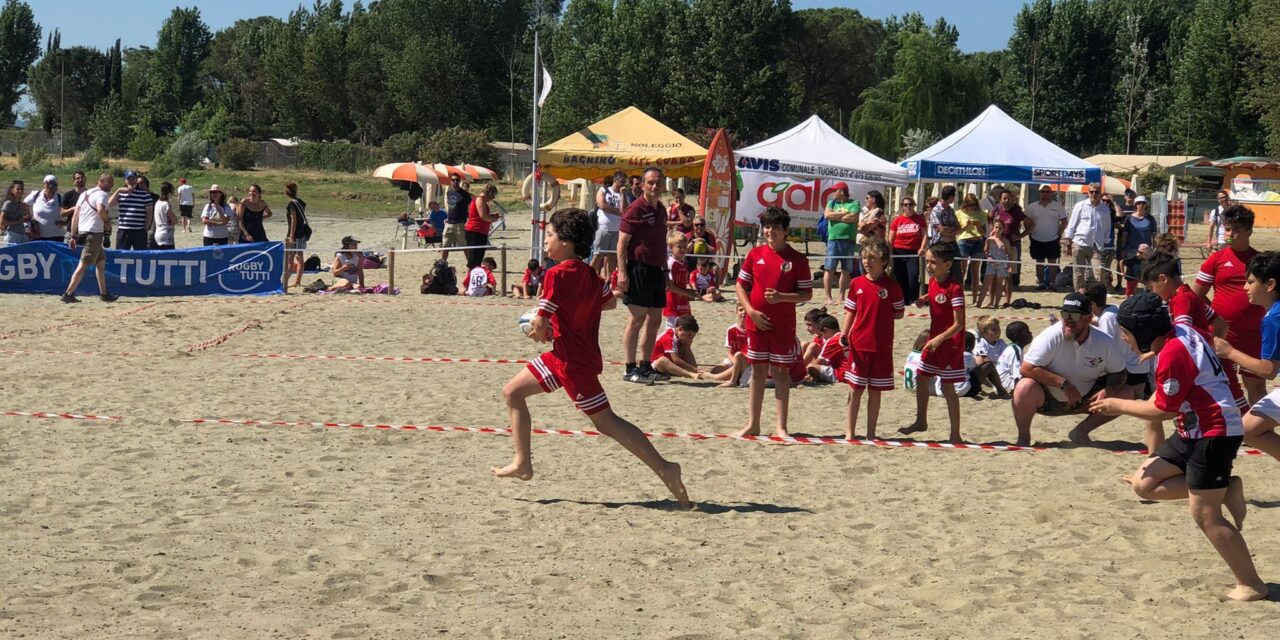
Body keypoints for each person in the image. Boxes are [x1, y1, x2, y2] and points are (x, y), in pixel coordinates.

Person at [492, 207, 691, 508]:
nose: (545, 241)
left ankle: (665, 466)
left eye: (550, 235)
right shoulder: (589, 273)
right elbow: (608, 304)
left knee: (607, 422)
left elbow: (540, 326)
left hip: (573, 363)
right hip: (564, 355)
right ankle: (522, 463)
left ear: (567, 241)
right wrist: (568, 317)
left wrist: (538, 329)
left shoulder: (555, 274)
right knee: (512, 393)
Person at [1090, 322, 1266, 602]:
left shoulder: (1172, 353)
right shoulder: (1179, 330)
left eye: (1126, 331)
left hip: (1213, 431)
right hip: (1192, 429)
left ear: (1145, 332)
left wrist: (1117, 405)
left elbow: (1162, 410)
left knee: (1205, 514)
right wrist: (1152, 350)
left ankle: (1252, 584)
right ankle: (1226, 487)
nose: (1123, 337)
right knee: (1143, 484)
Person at [1010, 292, 1133, 447]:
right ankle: (1023, 437)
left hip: (1086, 399)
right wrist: (1063, 383)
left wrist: (1110, 389)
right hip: (1048, 398)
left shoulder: (1104, 341)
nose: (1068, 320)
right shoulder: (1051, 336)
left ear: (1088, 318)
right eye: (1065, 314)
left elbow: (1120, 372)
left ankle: (1080, 432)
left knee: (1127, 393)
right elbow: (1026, 368)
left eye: (1074, 315)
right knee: (1023, 387)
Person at [735, 206, 813, 438]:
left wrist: (781, 297)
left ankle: (781, 427)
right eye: (767, 227)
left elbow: (806, 294)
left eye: (775, 227)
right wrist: (750, 311)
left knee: (781, 373)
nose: (770, 231)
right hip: (756, 323)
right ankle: (753, 423)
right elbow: (741, 285)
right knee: (757, 372)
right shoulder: (755, 254)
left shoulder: (797, 259)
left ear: (785, 231)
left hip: (782, 324)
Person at [1192, 205, 1266, 406]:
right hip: (1221, 334)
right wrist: (1215, 316)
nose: (1230, 234)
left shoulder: (1260, 262)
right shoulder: (1216, 259)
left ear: (1249, 232)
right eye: (1227, 229)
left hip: (1254, 334)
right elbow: (1196, 296)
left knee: (1256, 385)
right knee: (1221, 383)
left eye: (1235, 230)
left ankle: (1259, 431)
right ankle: (1228, 430)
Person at [1213, 251, 1280, 464]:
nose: (1245, 287)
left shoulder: (1273, 319)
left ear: (1270, 285)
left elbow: (1268, 371)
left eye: (1250, 282)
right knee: (1248, 429)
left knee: (1247, 429)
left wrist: (1230, 352)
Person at [899, 241, 965, 443]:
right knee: (921, 378)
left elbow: (959, 324)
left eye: (934, 262)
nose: (929, 266)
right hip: (934, 339)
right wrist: (925, 298)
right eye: (927, 261)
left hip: (950, 343)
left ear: (948, 264)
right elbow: (936, 295)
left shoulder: (955, 289)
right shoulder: (934, 282)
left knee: (947, 388)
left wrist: (939, 338)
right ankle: (921, 421)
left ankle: (955, 434)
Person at [841, 236, 904, 439]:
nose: (867, 262)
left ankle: (871, 433)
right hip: (859, 343)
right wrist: (844, 333)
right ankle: (849, 432)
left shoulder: (892, 286)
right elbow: (850, 311)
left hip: (882, 345)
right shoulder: (856, 283)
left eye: (872, 258)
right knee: (855, 389)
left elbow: (899, 312)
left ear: (883, 261)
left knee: (875, 391)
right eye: (864, 258)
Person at [617, 166, 671, 384]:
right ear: (642, 184)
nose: (654, 186)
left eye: (658, 182)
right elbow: (622, 243)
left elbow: (661, 243)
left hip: (657, 270)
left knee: (655, 319)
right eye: (650, 182)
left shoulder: (662, 210)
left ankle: (645, 365)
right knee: (636, 319)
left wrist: (666, 271)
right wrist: (622, 272)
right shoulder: (635, 209)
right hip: (639, 269)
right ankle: (630, 368)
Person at [61, 173, 116, 303]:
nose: (111, 187)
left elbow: (75, 216)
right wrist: (107, 222)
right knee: (84, 263)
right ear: (102, 182)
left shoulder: (85, 194)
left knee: (101, 262)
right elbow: (101, 210)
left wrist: (73, 235)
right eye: (110, 184)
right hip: (94, 233)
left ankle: (104, 293)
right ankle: (68, 293)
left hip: (83, 231)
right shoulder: (102, 195)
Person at [1063, 182, 1111, 290]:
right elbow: (1072, 224)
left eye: (1096, 192)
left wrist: (1105, 240)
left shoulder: (1105, 208)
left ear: (1100, 193)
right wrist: (1068, 242)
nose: (1094, 194)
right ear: (1088, 193)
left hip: (1097, 246)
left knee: (1099, 273)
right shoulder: (1080, 206)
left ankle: (1099, 298)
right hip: (1080, 243)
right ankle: (1079, 297)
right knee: (1079, 274)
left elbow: (1108, 226)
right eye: (1091, 192)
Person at [822, 182, 861, 304]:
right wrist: (844, 214)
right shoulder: (831, 203)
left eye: (835, 190)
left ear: (842, 191)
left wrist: (836, 216)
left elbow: (853, 218)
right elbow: (827, 215)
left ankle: (841, 296)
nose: (833, 193)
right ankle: (828, 297)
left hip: (849, 240)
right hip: (833, 239)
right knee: (829, 268)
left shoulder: (854, 203)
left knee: (846, 269)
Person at [1024, 185, 1068, 291]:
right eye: (1043, 191)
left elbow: (1064, 221)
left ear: (1051, 193)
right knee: (1039, 262)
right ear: (1040, 193)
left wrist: (1059, 234)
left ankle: (1052, 283)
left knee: (1052, 262)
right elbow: (1025, 220)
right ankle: (1041, 283)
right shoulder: (1032, 206)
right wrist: (1029, 232)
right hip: (1036, 238)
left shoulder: (1057, 206)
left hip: (1053, 238)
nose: (1045, 193)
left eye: (1047, 192)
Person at [991, 188, 1030, 301]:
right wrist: (992, 232)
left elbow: (1031, 224)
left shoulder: (1017, 210)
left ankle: (1007, 301)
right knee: (995, 275)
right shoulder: (996, 209)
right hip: (997, 245)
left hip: (1012, 245)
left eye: (1009, 198)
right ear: (1000, 199)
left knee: (1009, 276)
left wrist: (1021, 236)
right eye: (1004, 198)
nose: (1007, 200)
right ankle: (992, 300)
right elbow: (989, 218)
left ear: (1012, 199)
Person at [1116, 195, 1156, 296]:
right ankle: (1129, 298)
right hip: (1132, 251)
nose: (1141, 205)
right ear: (1135, 205)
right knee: (1132, 277)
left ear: (1146, 205)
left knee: (1147, 277)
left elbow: (1154, 235)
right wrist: (1123, 248)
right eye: (1139, 203)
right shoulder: (1129, 219)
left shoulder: (1151, 219)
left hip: (1147, 252)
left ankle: (1148, 296)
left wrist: (1155, 250)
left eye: (1143, 203)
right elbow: (1125, 235)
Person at [888, 195, 925, 299]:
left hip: (913, 251)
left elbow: (925, 235)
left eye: (910, 204)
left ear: (914, 206)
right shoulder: (897, 220)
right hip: (898, 251)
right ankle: (901, 299)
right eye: (905, 205)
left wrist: (922, 248)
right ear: (902, 206)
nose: (908, 207)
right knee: (900, 276)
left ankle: (912, 299)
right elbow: (890, 239)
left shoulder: (919, 219)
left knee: (913, 276)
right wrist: (890, 255)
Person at [591, 172, 626, 278]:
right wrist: (618, 213)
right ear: (616, 180)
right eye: (622, 181)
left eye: (625, 182)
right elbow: (601, 204)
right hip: (603, 229)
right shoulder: (603, 190)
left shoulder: (623, 195)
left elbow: (624, 210)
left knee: (613, 257)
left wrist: (623, 194)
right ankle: (589, 276)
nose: (624, 183)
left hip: (617, 230)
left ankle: (609, 280)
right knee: (598, 255)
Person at [955, 193, 988, 303]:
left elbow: (984, 233)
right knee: (962, 271)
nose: (972, 207)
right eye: (969, 205)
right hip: (964, 241)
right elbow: (957, 231)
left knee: (975, 272)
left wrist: (978, 225)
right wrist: (966, 226)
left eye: (974, 204)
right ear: (965, 204)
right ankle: (960, 298)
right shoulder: (959, 213)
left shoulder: (982, 214)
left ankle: (974, 299)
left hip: (978, 241)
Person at [652, 314, 706, 380]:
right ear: (680, 329)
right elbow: (676, 360)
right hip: (656, 366)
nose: (690, 339)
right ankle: (691, 374)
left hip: (670, 364)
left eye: (692, 337)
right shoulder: (669, 337)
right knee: (663, 360)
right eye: (689, 335)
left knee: (685, 346)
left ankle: (693, 372)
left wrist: (694, 368)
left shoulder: (679, 336)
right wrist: (694, 369)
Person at [110, 170, 153, 250]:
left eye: (133, 179)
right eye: (129, 179)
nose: (131, 181)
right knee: (122, 255)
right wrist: (118, 190)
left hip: (139, 231)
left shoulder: (145, 195)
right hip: (124, 230)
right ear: (125, 180)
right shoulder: (121, 194)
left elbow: (149, 213)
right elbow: (109, 204)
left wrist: (146, 229)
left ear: (136, 180)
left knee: (140, 255)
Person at [664, 231, 697, 331]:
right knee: (673, 331)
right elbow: (670, 286)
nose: (683, 249)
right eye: (679, 246)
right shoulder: (671, 264)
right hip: (673, 303)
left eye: (684, 246)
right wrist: (687, 293)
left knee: (686, 329)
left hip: (682, 302)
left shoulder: (683, 263)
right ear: (671, 247)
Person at [973, 316, 1010, 398]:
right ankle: (996, 387)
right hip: (986, 372)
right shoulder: (980, 343)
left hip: (999, 369)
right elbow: (984, 359)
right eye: (993, 329)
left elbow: (1009, 354)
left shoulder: (1001, 343)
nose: (998, 332)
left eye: (998, 328)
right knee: (989, 367)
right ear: (983, 331)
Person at [463, 183, 499, 269]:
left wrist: (493, 216)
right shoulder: (480, 199)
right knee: (473, 260)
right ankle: (468, 280)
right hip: (475, 231)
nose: (493, 198)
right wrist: (493, 218)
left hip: (481, 232)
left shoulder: (482, 201)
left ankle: (473, 278)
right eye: (493, 196)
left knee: (477, 259)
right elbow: (483, 216)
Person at [977, 219, 1010, 309]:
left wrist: (1009, 265)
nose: (998, 229)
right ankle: (979, 304)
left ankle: (996, 304)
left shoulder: (1005, 241)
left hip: (1002, 264)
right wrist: (988, 257)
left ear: (1003, 229)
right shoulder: (989, 239)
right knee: (986, 284)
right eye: (996, 227)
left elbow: (1008, 254)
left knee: (999, 285)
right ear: (993, 228)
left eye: (1000, 228)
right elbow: (985, 251)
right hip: (991, 264)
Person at [996, 321, 1032, 398]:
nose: (1030, 333)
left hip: (1003, 382)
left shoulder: (1014, 348)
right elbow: (1017, 375)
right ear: (1017, 335)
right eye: (1027, 331)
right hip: (1006, 384)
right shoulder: (1015, 350)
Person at [284, 182, 310, 288]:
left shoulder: (291, 204)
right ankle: (297, 281)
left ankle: (284, 282)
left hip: (295, 234)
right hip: (302, 233)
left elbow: (294, 219)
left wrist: (291, 235)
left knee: (290, 259)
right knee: (300, 257)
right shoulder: (300, 202)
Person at [24, 175, 64, 242]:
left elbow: (69, 212)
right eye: (47, 183)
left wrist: (64, 222)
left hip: (56, 236)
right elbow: (24, 203)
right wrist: (29, 216)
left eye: (52, 184)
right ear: (44, 184)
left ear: (56, 185)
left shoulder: (60, 198)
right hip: (37, 235)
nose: (50, 186)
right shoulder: (36, 195)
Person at [442, 175, 471, 262]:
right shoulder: (449, 192)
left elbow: (470, 208)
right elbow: (450, 207)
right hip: (449, 223)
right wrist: (446, 217)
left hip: (460, 223)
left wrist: (468, 220)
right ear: (450, 181)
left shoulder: (465, 194)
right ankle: (442, 264)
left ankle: (471, 265)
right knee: (445, 246)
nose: (455, 182)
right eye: (453, 180)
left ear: (459, 181)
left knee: (465, 246)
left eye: (457, 180)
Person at [60, 171, 87, 237]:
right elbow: (62, 213)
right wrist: (74, 208)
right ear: (73, 181)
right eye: (77, 178)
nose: (80, 180)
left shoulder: (91, 194)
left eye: (82, 177)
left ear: (85, 179)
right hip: (71, 231)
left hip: (86, 231)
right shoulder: (68, 195)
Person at [151, 182, 176, 250]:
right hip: (165, 234)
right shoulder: (165, 204)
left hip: (158, 232)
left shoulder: (158, 202)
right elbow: (174, 219)